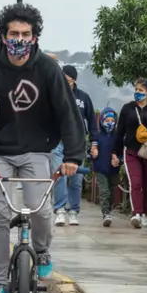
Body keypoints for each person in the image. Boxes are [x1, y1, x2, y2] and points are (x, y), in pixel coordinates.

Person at [0, 3, 85, 293]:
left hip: (36, 149)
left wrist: (73, 157)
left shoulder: (48, 70)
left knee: (39, 209)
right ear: (3, 36)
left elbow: (68, 113)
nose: (19, 39)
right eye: (13, 33)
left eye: (25, 33)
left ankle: (41, 250)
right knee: (0, 215)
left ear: (35, 37)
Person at [113, 79, 147, 229]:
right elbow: (120, 131)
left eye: (141, 90)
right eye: (136, 89)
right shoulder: (127, 108)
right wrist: (115, 152)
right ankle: (136, 213)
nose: (138, 93)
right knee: (135, 183)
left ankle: (145, 214)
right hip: (131, 150)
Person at [51, 64, 98, 227]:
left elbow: (92, 121)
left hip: (78, 142)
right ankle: (60, 209)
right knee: (59, 176)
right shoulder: (53, 96)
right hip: (57, 142)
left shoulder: (83, 98)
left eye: (68, 79)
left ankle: (73, 211)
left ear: (73, 80)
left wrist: (94, 143)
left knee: (76, 179)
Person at [91, 107, 121, 226]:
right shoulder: (97, 136)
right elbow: (91, 150)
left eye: (112, 120)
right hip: (100, 168)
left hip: (114, 169)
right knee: (105, 191)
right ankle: (105, 213)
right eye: (107, 120)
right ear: (102, 121)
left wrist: (119, 159)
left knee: (112, 191)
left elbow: (121, 152)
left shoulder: (118, 137)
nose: (110, 122)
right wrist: (93, 153)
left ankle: (109, 209)